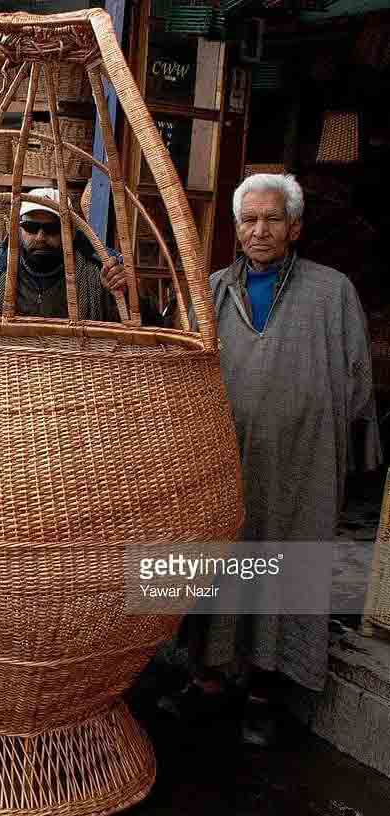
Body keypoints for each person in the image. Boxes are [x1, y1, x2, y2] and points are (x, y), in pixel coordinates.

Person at [165, 173, 381, 745]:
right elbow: (178, 368)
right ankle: (208, 678)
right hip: (224, 460)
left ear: (295, 227)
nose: (260, 230)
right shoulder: (211, 289)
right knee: (219, 560)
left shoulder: (332, 293)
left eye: (272, 219)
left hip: (300, 462)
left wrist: (342, 445)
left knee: (285, 560)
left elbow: (358, 379)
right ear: (236, 230)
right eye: (249, 220)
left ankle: (265, 688)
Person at [0, 186, 161, 324]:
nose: (40, 237)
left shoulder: (98, 277)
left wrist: (128, 294)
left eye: (51, 229)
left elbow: (148, 327)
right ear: (16, 229)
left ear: (70, 234)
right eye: (31, 227)